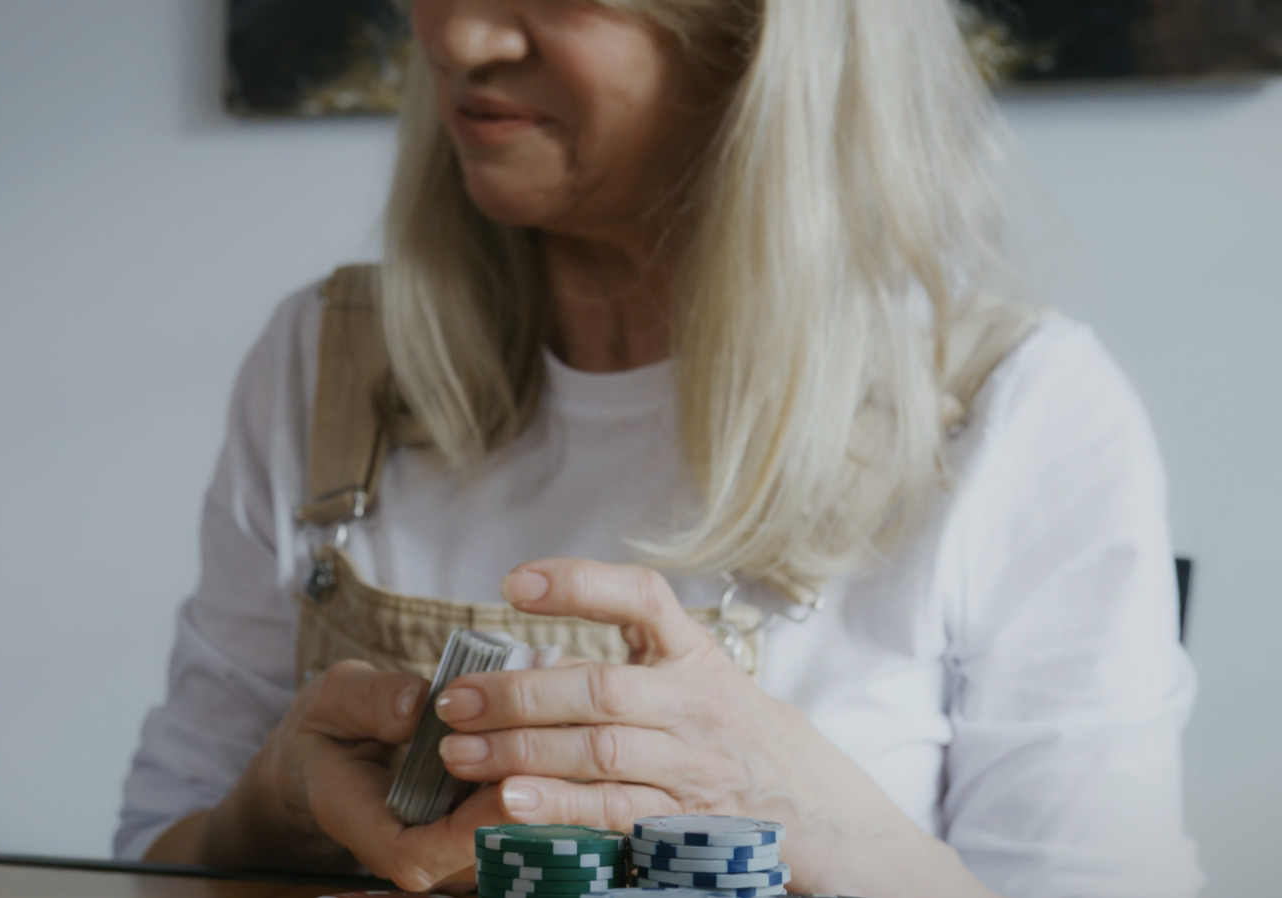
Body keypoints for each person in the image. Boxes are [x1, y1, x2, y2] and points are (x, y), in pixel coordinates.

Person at [116, 1, 1203, 896]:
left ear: (766, 29)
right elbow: (144, 860)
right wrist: (271, 811)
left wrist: (808, 813)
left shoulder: (1018, 409)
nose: (454, 39)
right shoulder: (327, 363)